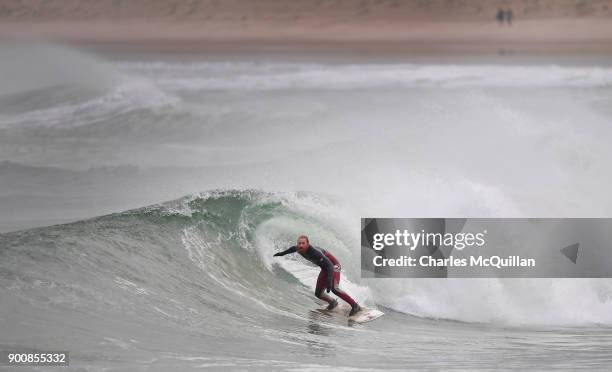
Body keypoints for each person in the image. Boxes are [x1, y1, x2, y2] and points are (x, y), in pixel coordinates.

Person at [273, 235, 362, 316]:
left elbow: (330, 266)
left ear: (308, 244)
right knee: (318, 293)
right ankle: (333, 302)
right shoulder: (297, 249)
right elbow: (289, 250)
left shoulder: (315, 253)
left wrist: (328, 282)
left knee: (334, 288)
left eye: (303, 243)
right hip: (325, 268)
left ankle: (355, 306)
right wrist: (281, 254)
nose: (301, 245)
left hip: (334, 265)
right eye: (299, 243)